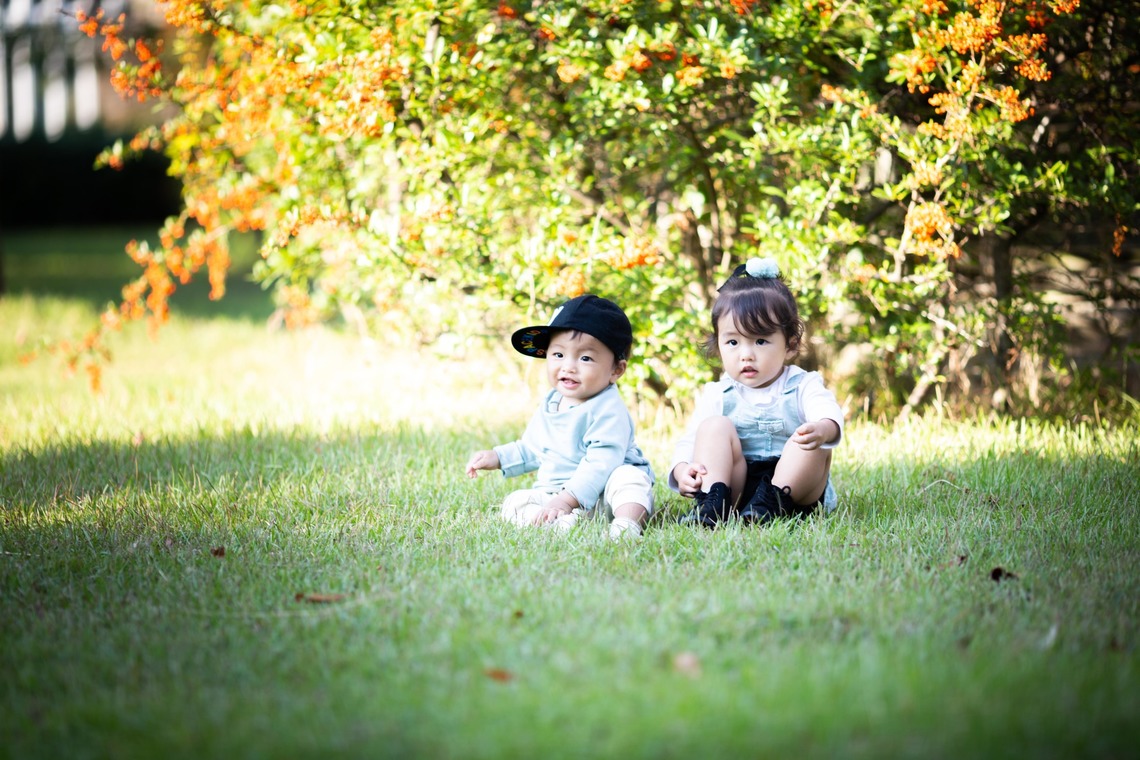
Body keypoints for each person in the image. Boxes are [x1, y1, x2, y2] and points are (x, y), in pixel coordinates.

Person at [669, 257, 843, 528]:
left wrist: (823, 429)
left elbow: (828, 412)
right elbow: (690, 441)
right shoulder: (719, 392)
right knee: (713, 427)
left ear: (791, 345)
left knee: (809, 439)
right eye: (733, 342)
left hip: (794, 489)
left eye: (761, 341)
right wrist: (682, 469)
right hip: (737, 488)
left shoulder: (801, 384)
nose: (746, 355)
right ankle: (715, 505)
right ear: (719, 344)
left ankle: (770, 507)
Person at [466, 294, 656, 540]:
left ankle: (626, 526)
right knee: (515, 502)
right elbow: (533, 448)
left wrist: (568, 499)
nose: (568, 366)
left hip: (606, 495)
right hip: (556, 495)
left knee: (629, 479)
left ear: (616, 370)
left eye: (585, 358)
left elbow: (602, 462)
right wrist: (498, 457)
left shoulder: (608, 409)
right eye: (558, 355)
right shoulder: (552, 402)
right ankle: (562, 525)